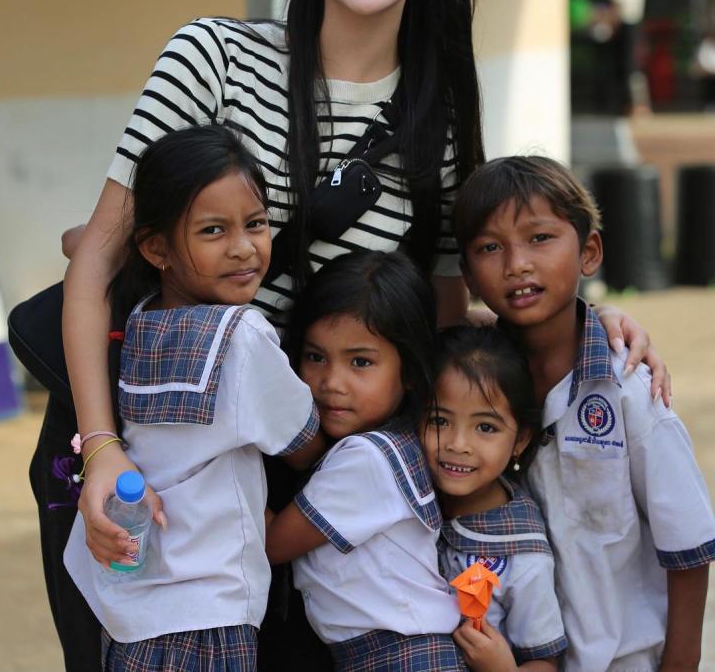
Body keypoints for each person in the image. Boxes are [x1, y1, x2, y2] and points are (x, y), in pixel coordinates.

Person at [35, 0, 663, 670]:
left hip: (306, 462)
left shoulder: (438, 117)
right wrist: (103, 451)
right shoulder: (212, 56)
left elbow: (443, 312)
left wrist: (586, 334)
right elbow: (97, 258)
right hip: (148, 456)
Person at [63, 124, 323, 670]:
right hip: (209, 612)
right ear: (156, 247)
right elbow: (302, 442)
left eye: (256, 224)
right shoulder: (243, 336)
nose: (243, 248)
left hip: (130, 611)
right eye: (212, 231)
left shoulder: (137, 320)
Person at [451, 155, 715, 672]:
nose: (517, 264)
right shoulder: (470, 383)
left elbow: (688, 546)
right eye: (489, 248)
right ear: (468, 275)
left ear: (589, 252)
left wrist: (680, 662)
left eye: (540, 238)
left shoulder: (629, 390)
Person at [265, 250, 469, 671]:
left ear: (410, 370)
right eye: (315, 357)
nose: (331, 383)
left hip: (400, 657)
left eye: (361, 362)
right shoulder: (396, 443)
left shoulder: (366, 460)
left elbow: (272, 544)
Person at [420, 325, 566, 670]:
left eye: (485, 427)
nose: (457, 444)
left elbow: (545, 661)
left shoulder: (523, 560)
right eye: (440, 420)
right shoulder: (408, 499)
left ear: (520, 440)